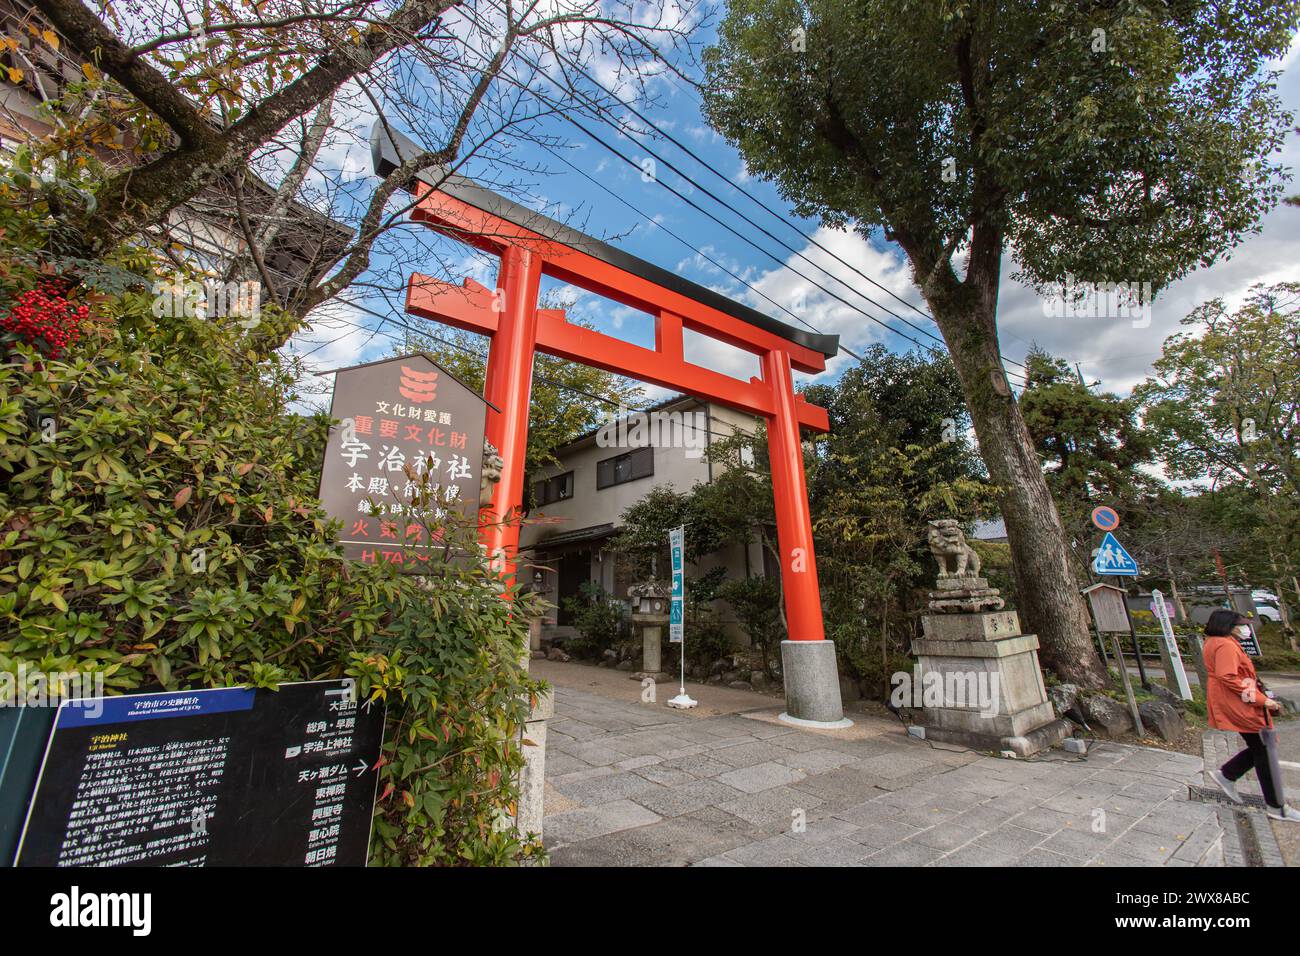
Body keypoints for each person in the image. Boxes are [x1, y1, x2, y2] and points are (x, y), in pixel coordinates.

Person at [1203, 609, 1300, 821]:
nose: (1245, 628)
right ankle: (1276, 806)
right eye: (1241, 625)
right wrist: (1263, 700)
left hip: (1234, 700)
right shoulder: (1226, 645)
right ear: (1228, 625)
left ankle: (1227, 774)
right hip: (1240, 702)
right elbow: (1228, 677)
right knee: (1264, 748)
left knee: (1261, 746)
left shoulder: (1216, 642)